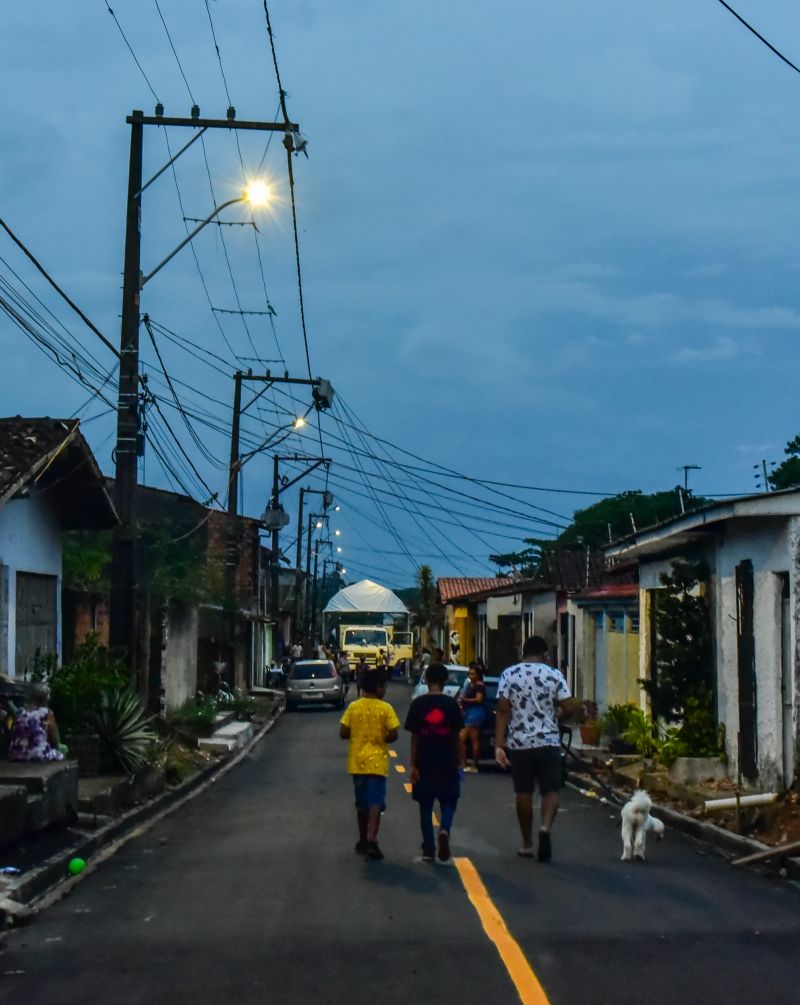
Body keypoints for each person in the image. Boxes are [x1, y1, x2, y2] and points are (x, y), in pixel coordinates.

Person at [494, 636, 572, 861]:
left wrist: (499, 745)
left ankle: (527, 844)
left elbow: (502, 710)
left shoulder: (509, 674)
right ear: (544, 654)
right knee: (551, 790)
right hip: (548, 742)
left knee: (523, 792)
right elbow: (568, 706)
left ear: (524, 653)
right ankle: (545, 827)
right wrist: (558, 715)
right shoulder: (554, 674)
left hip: (520, 744)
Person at [405, 662, 464, 862]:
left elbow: (415, 737)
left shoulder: (418, 704)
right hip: (447, 759)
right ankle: (445, 828)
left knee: (425, 804)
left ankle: (429, 847)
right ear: (445, 681)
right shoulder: (451, 704)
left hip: (424, 759)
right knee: (449, 799)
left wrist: (413, 764)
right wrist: (460, 762)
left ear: (427, 680)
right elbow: (457, 736)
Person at [339, 668, 400, 860]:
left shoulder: (353, 707)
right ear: (378, 687)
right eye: (384, 687)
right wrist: (380, 736)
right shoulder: (386, 708)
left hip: (357, 762)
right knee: (376, 802)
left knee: (362, 804)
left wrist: (358, 733)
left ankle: (362, 839)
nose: (386, 690)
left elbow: (343, 732)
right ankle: (373, 839)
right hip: (377, 763)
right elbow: (394, 734)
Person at [8, 683, 65, 762]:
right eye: (48, 695)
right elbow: (54, 739)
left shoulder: (19, 712)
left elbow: (13, 734)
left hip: (15, 754)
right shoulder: (47, 713)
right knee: (62, 753)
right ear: (45, 698)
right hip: (37, 755)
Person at [459, 663, 487, 773]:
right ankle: (465, 763)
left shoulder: (479, 685)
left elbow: (479, 699)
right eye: (469, 674)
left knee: (468, 739)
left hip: (475, 714)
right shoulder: (470, 684)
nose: (470, 676)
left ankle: (472, 765)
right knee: (468, 740)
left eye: (472, 674)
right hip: (467, 713)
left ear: (478, 675)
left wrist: (465, 700)